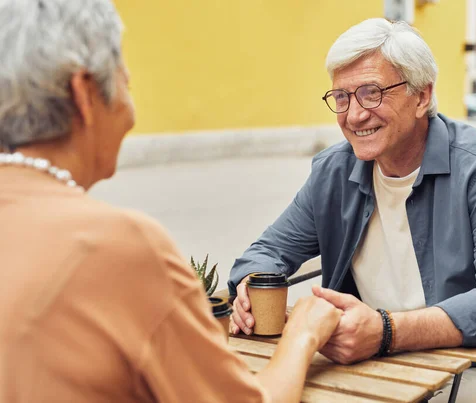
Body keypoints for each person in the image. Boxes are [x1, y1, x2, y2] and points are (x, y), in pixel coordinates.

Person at [0, 1, 342, 402]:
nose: (130, 105)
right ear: (84, 93)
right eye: (123, 77)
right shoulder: (117, 245)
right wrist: (304, 334)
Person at [228, 18, 476, 402]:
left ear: (422, 96)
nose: (354, 114)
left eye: (371, 93)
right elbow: (266, 253)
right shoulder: (333, 172)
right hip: (383, 363)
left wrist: (386, 331)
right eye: (341, 97)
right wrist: (248, 288)